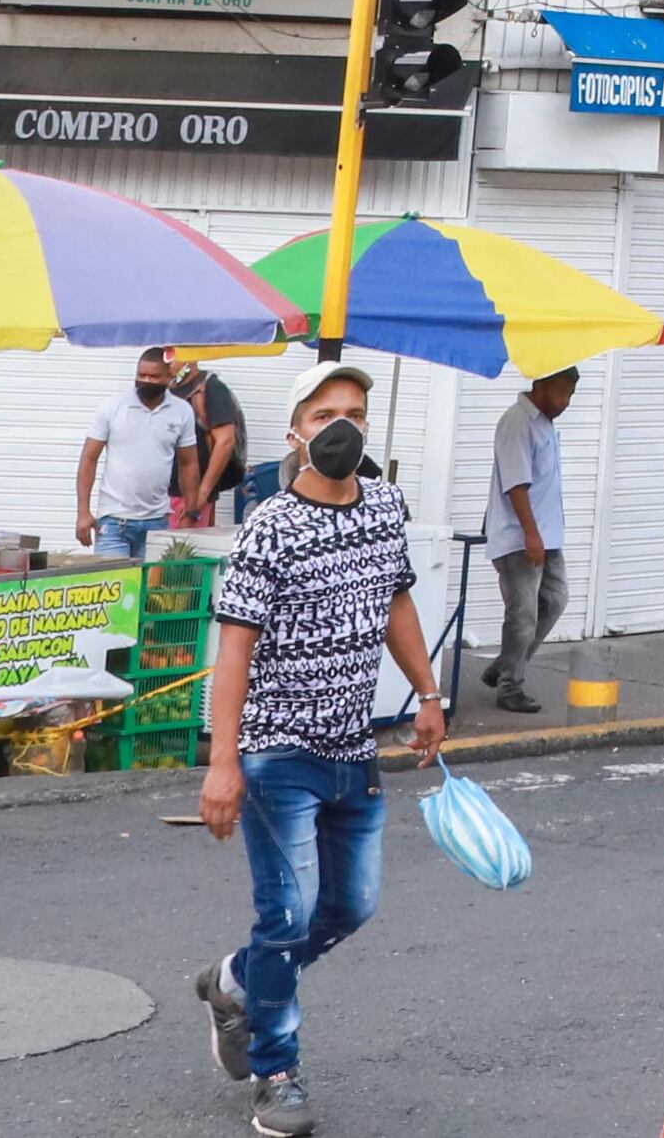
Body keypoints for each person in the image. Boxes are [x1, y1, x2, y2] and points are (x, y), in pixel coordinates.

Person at [196, 366, 439, 1138]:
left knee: (349, 905)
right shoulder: (270, 524)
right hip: (276, 751)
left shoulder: (386, 507)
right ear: (296, 430)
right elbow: (233, 648)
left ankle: (236, 980)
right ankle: (276, 1072)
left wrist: (428, 693)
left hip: (351, 745)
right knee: (288, 912)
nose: (344, 426)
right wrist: (223, 760)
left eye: (356, 412)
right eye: (326, 412)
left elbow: (395, 598)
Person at [476, 366, 576, 715]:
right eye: (563, 393)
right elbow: (516, 484)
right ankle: (510, 687)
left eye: (571, 395)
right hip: (522, 536)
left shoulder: (544, 422)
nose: (566, 402)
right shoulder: (517, 422)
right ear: (541, 386)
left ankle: (506, 664)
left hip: (547, 534)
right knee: (523, 614)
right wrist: (531, 534)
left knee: (556, 599)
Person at [83, 353, 200, 558]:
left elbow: (189, 463)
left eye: (154, 377)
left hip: (157, 522)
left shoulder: (182, 411)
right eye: (142, 375)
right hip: (114, 521)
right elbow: (89, 459)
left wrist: (191, 512)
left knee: (151, 588)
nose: (146, 381)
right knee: (115, 587)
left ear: (169, 376)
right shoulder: (113, 406)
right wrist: (83, 512)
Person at [185, 360, 262, 523]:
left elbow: (225, 441)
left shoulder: (210, 387)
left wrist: (202, 494)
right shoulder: (164, 387)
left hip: (187, 496)